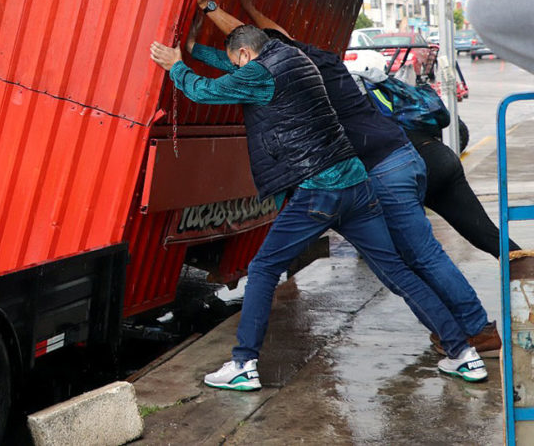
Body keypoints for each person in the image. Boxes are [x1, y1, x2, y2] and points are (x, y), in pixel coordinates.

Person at [149, 22, 487, 391]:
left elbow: (205, 91)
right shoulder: (296, 58)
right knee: (397, 271)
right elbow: (235, 69)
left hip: (318, 190)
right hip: (356, 184)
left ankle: (243, 363)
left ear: (247, 53)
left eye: (238, 62)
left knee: (262, 269)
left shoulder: (259, 74)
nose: (238, 68)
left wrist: (175, 66)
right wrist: (196, 50)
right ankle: (462, 353)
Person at [207, 0, 501, 356]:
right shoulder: (319, 59)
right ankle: (457, 331)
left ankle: (476, 329)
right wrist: (250, 7)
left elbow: (255, 43)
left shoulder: (290, 70)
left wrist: (209, 6)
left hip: (381, 168)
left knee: (417, 256)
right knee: (401, 262)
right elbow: (270, 36)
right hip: (402, 155)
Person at [350, 64, 520, 259]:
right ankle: (525, 265)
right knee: (487, 234)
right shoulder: (373, 82)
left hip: (407, 169)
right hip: (439, 156)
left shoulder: (343, 98)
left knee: (414, 256)